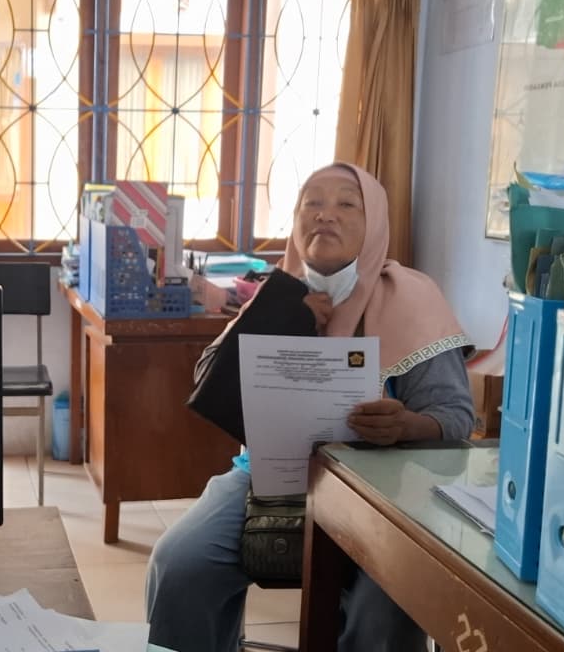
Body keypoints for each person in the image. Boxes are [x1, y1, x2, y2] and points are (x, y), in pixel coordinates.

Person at [145, 162, 474, 652]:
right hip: (264, 478)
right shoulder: (278, 290)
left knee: (386, 609)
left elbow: (456, 418)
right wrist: (277, 315)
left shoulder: (413, 297)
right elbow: (207, 381)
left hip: (382, 495)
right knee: (179, 563)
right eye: (311, 203)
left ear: (375, 223)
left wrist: (406, 424)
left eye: (347, 203)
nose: (325, 215)